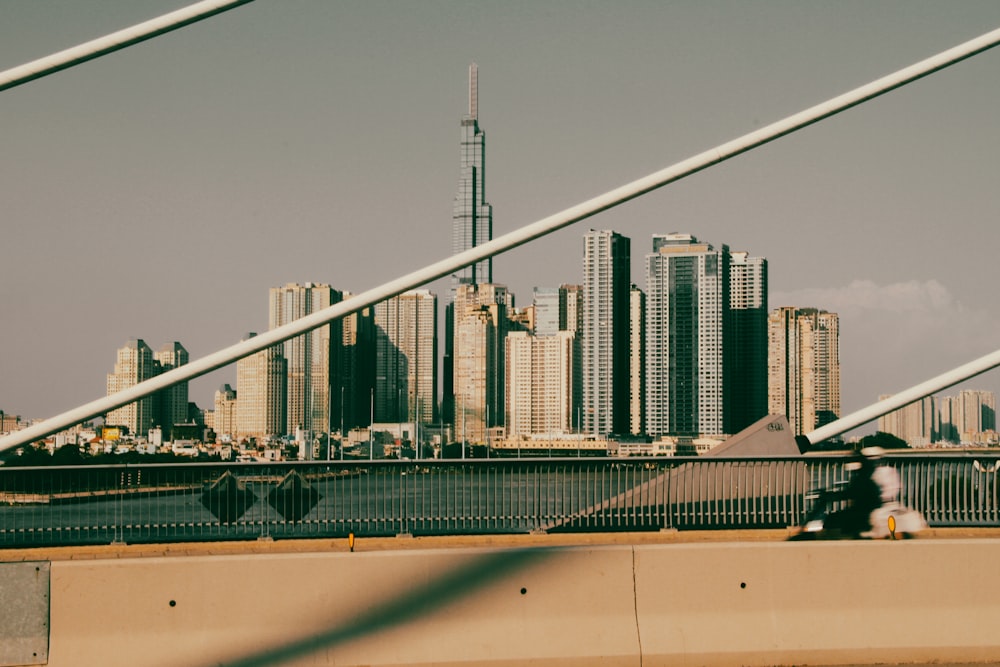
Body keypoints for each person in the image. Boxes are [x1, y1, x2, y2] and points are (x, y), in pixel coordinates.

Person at [824, 446, 887, 537]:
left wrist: (832, 496)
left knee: (832, 518)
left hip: (863, 514)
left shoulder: (862, 478)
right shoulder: (865, 476)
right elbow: (852, 493)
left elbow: (852, 493)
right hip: (865, 511)